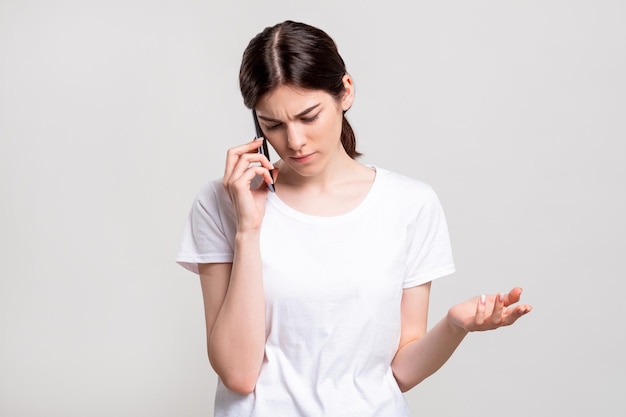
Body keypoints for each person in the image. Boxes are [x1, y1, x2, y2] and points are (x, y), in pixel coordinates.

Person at [176, 20, 532, 417]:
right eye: (273, 124)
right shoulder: (221, 203)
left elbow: (398, 372)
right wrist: (248, 229)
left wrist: (454, 326)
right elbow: (239, 375)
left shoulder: (410, 204)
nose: (293, 141)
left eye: (308, 116)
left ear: (345, 92)